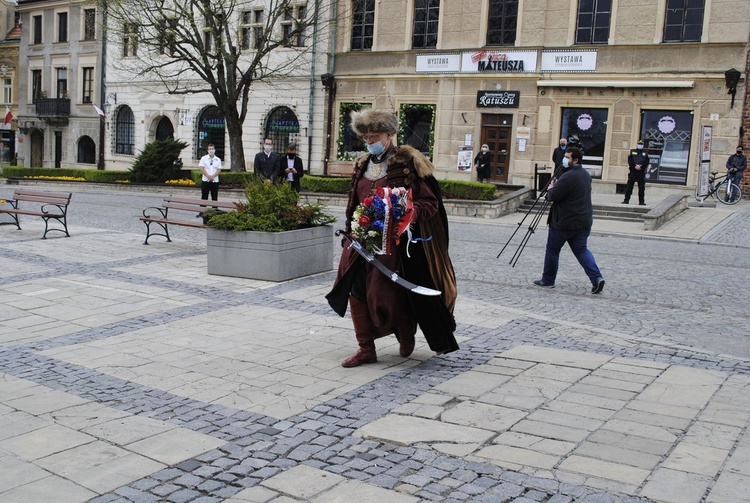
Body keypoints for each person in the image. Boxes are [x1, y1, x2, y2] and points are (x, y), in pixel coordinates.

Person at [326, 109, 458, 367]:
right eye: (365, 137)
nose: (369, 141)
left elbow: (429, 203)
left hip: (393, 246)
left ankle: (404, 330)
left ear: (389, 134)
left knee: (384, 294)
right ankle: (366, 348)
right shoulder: (363, 163)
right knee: (355, 292)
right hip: (359, 243)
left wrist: (408, 214)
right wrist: (350, 232)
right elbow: (353, 203)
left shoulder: (408, 162)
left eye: (374, 136)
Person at [533, 147, 605, 294]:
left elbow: (552, 196)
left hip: (564, 222)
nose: (564, 160)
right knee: (581, 250)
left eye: (567, 157)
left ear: (575, 160)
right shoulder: (585, 174)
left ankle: (548, 280)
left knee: (552, 250)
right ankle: (597, 278)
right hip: (583, 221)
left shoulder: (568, 176)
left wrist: (551, 188)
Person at [623, 139, 649, 205]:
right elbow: (630, 160)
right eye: (639, 144)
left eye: (641, 144)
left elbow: (646, 162)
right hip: (633, 172)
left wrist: (641, 167)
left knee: (641, 188)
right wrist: (634, 166)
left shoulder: (645, 152)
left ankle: (641, 202)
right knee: (629, 187)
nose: (640, 145)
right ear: (637, 144)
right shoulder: (632, 151)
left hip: (641, 172)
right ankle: (626, 200)